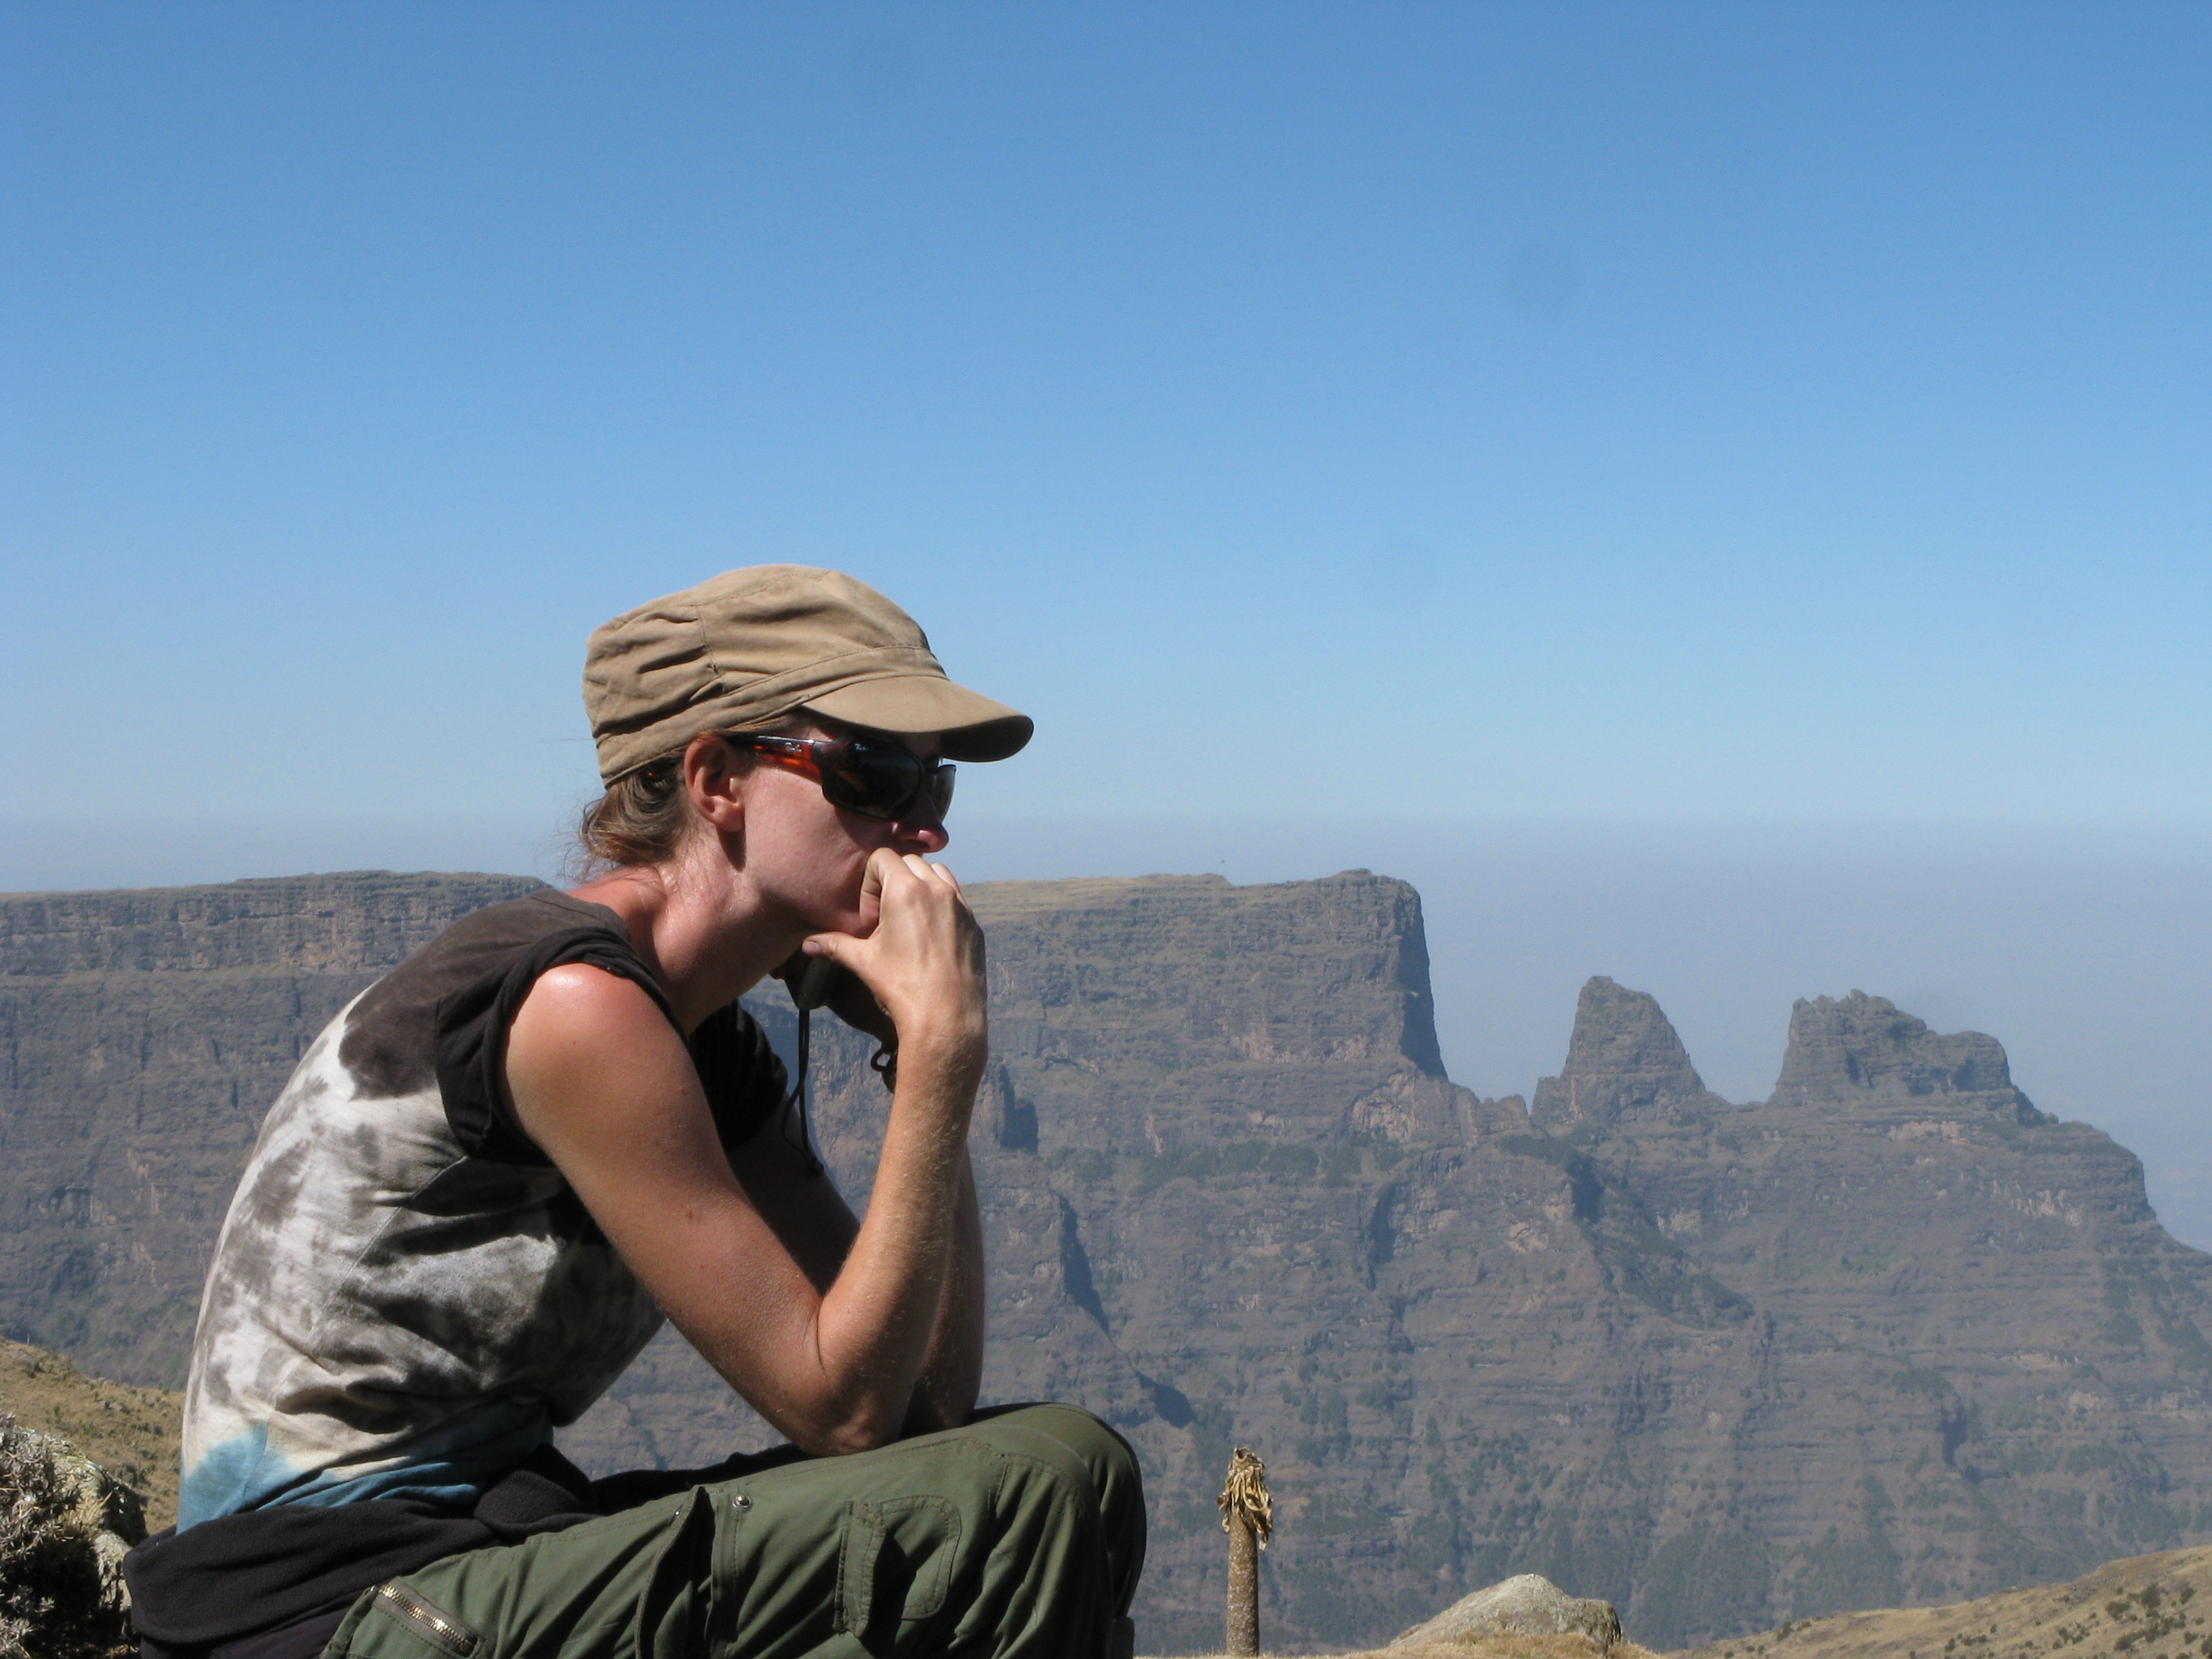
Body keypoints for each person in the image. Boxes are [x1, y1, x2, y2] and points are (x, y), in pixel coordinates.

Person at [125, 566, 1145, 1659]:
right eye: (873, 770)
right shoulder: (577, 1005)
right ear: (716, 779)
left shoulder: (706, 1041)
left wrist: (907, 1057)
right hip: (328, 1611)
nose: (920, 831)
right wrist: (946, 1054)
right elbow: (839, 1411)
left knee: (1049, 1476)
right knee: (1046, 1486)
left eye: (934, 785)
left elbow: (919, 1420)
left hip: (475, 1563)